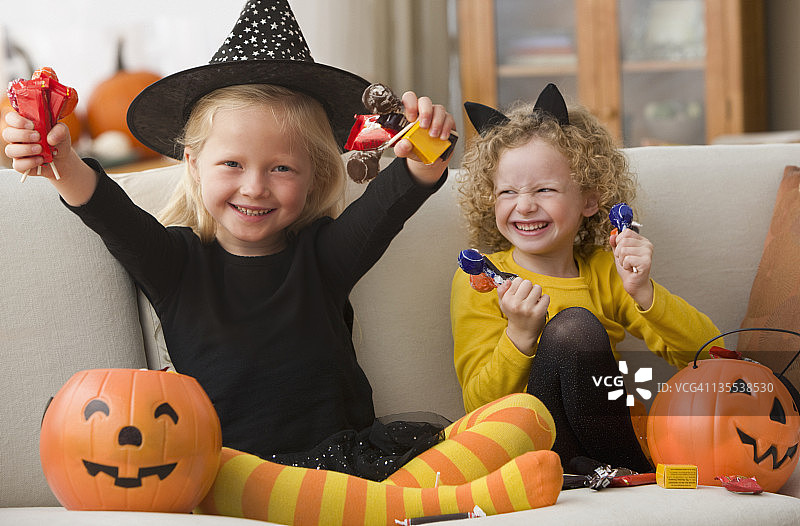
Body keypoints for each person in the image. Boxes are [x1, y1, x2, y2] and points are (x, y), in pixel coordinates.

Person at [4, 0, 561, 518]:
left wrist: (427, 149)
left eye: (281, 169)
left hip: (352, 461)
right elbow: (108, 211)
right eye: (231, 165)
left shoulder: (324, 258)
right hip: (239, 473)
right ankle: (437, 502)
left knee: (525, 417)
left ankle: (387, 504)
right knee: (211, 472)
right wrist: (58, 157)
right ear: (193, 165)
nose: (255, 188)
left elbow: (393, 201)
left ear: (316, 175)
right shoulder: (175, 265)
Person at [451, 83, 723, 474]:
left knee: (576, 326)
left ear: (589, 200)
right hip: (533, 453)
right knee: (573, 326)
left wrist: (644, 292)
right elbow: (480, 407)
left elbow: (707, 356)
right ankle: (633, 474)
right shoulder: (480, 278)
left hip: (604, 441)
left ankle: (619, 473)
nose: (524, 205)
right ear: (490, 198)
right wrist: (521, 335)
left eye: (545, 189)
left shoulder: (604, 270)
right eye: (507, 191)